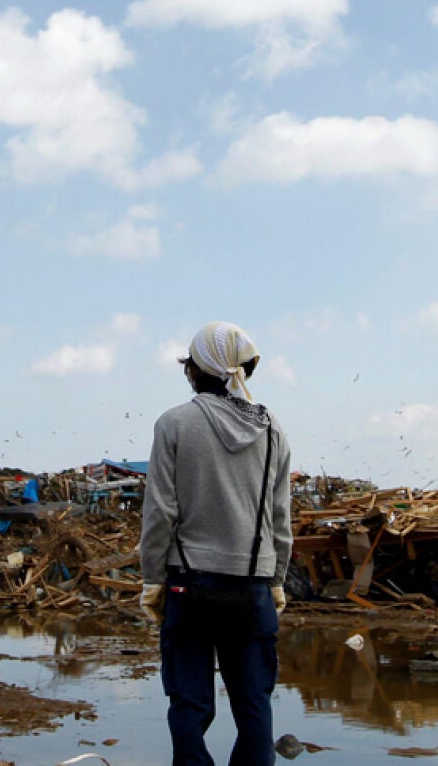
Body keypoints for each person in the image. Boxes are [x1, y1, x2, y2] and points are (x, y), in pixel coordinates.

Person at [139, 322, 293, 766]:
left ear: (194, 370)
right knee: (253, 703)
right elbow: (279, 516)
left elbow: (161, 513)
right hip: (254, 586)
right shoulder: (273, 430)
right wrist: (277, 578)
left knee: (189, 703)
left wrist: (152, 579)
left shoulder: (174, 424)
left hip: (189, 584)